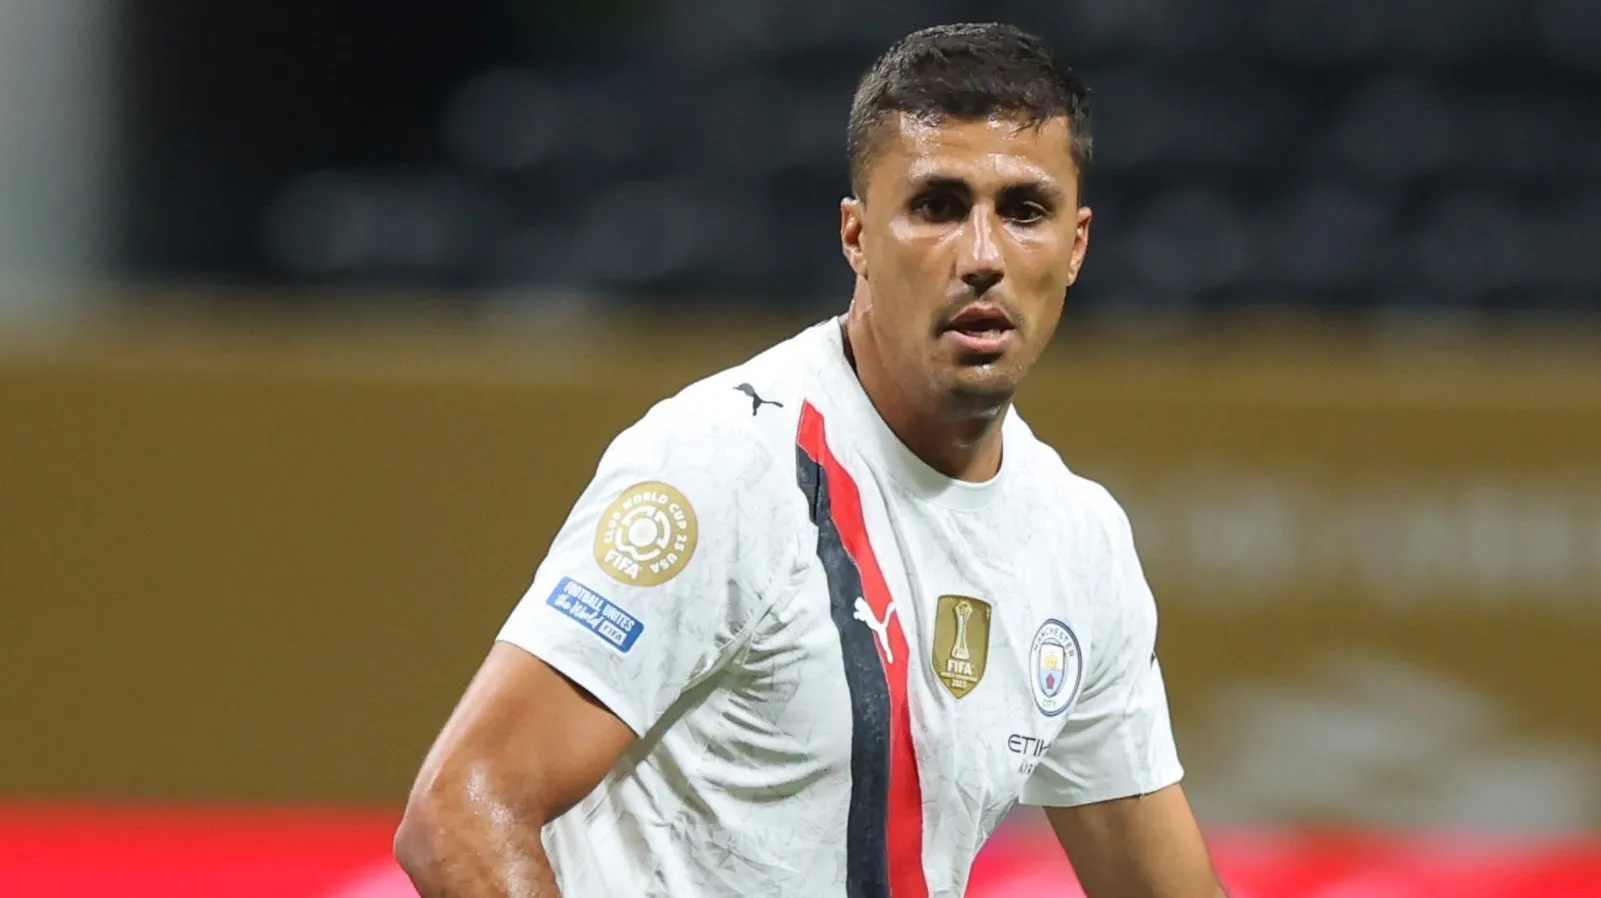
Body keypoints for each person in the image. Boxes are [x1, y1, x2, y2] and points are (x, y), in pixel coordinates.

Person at [395, 21, 1226, 898]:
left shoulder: (1077, 541)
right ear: (857, 237)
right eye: (936, 206)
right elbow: (461, 815)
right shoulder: (723, 463)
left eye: (1022, 211)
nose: (982, 256)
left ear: (1076, 246)